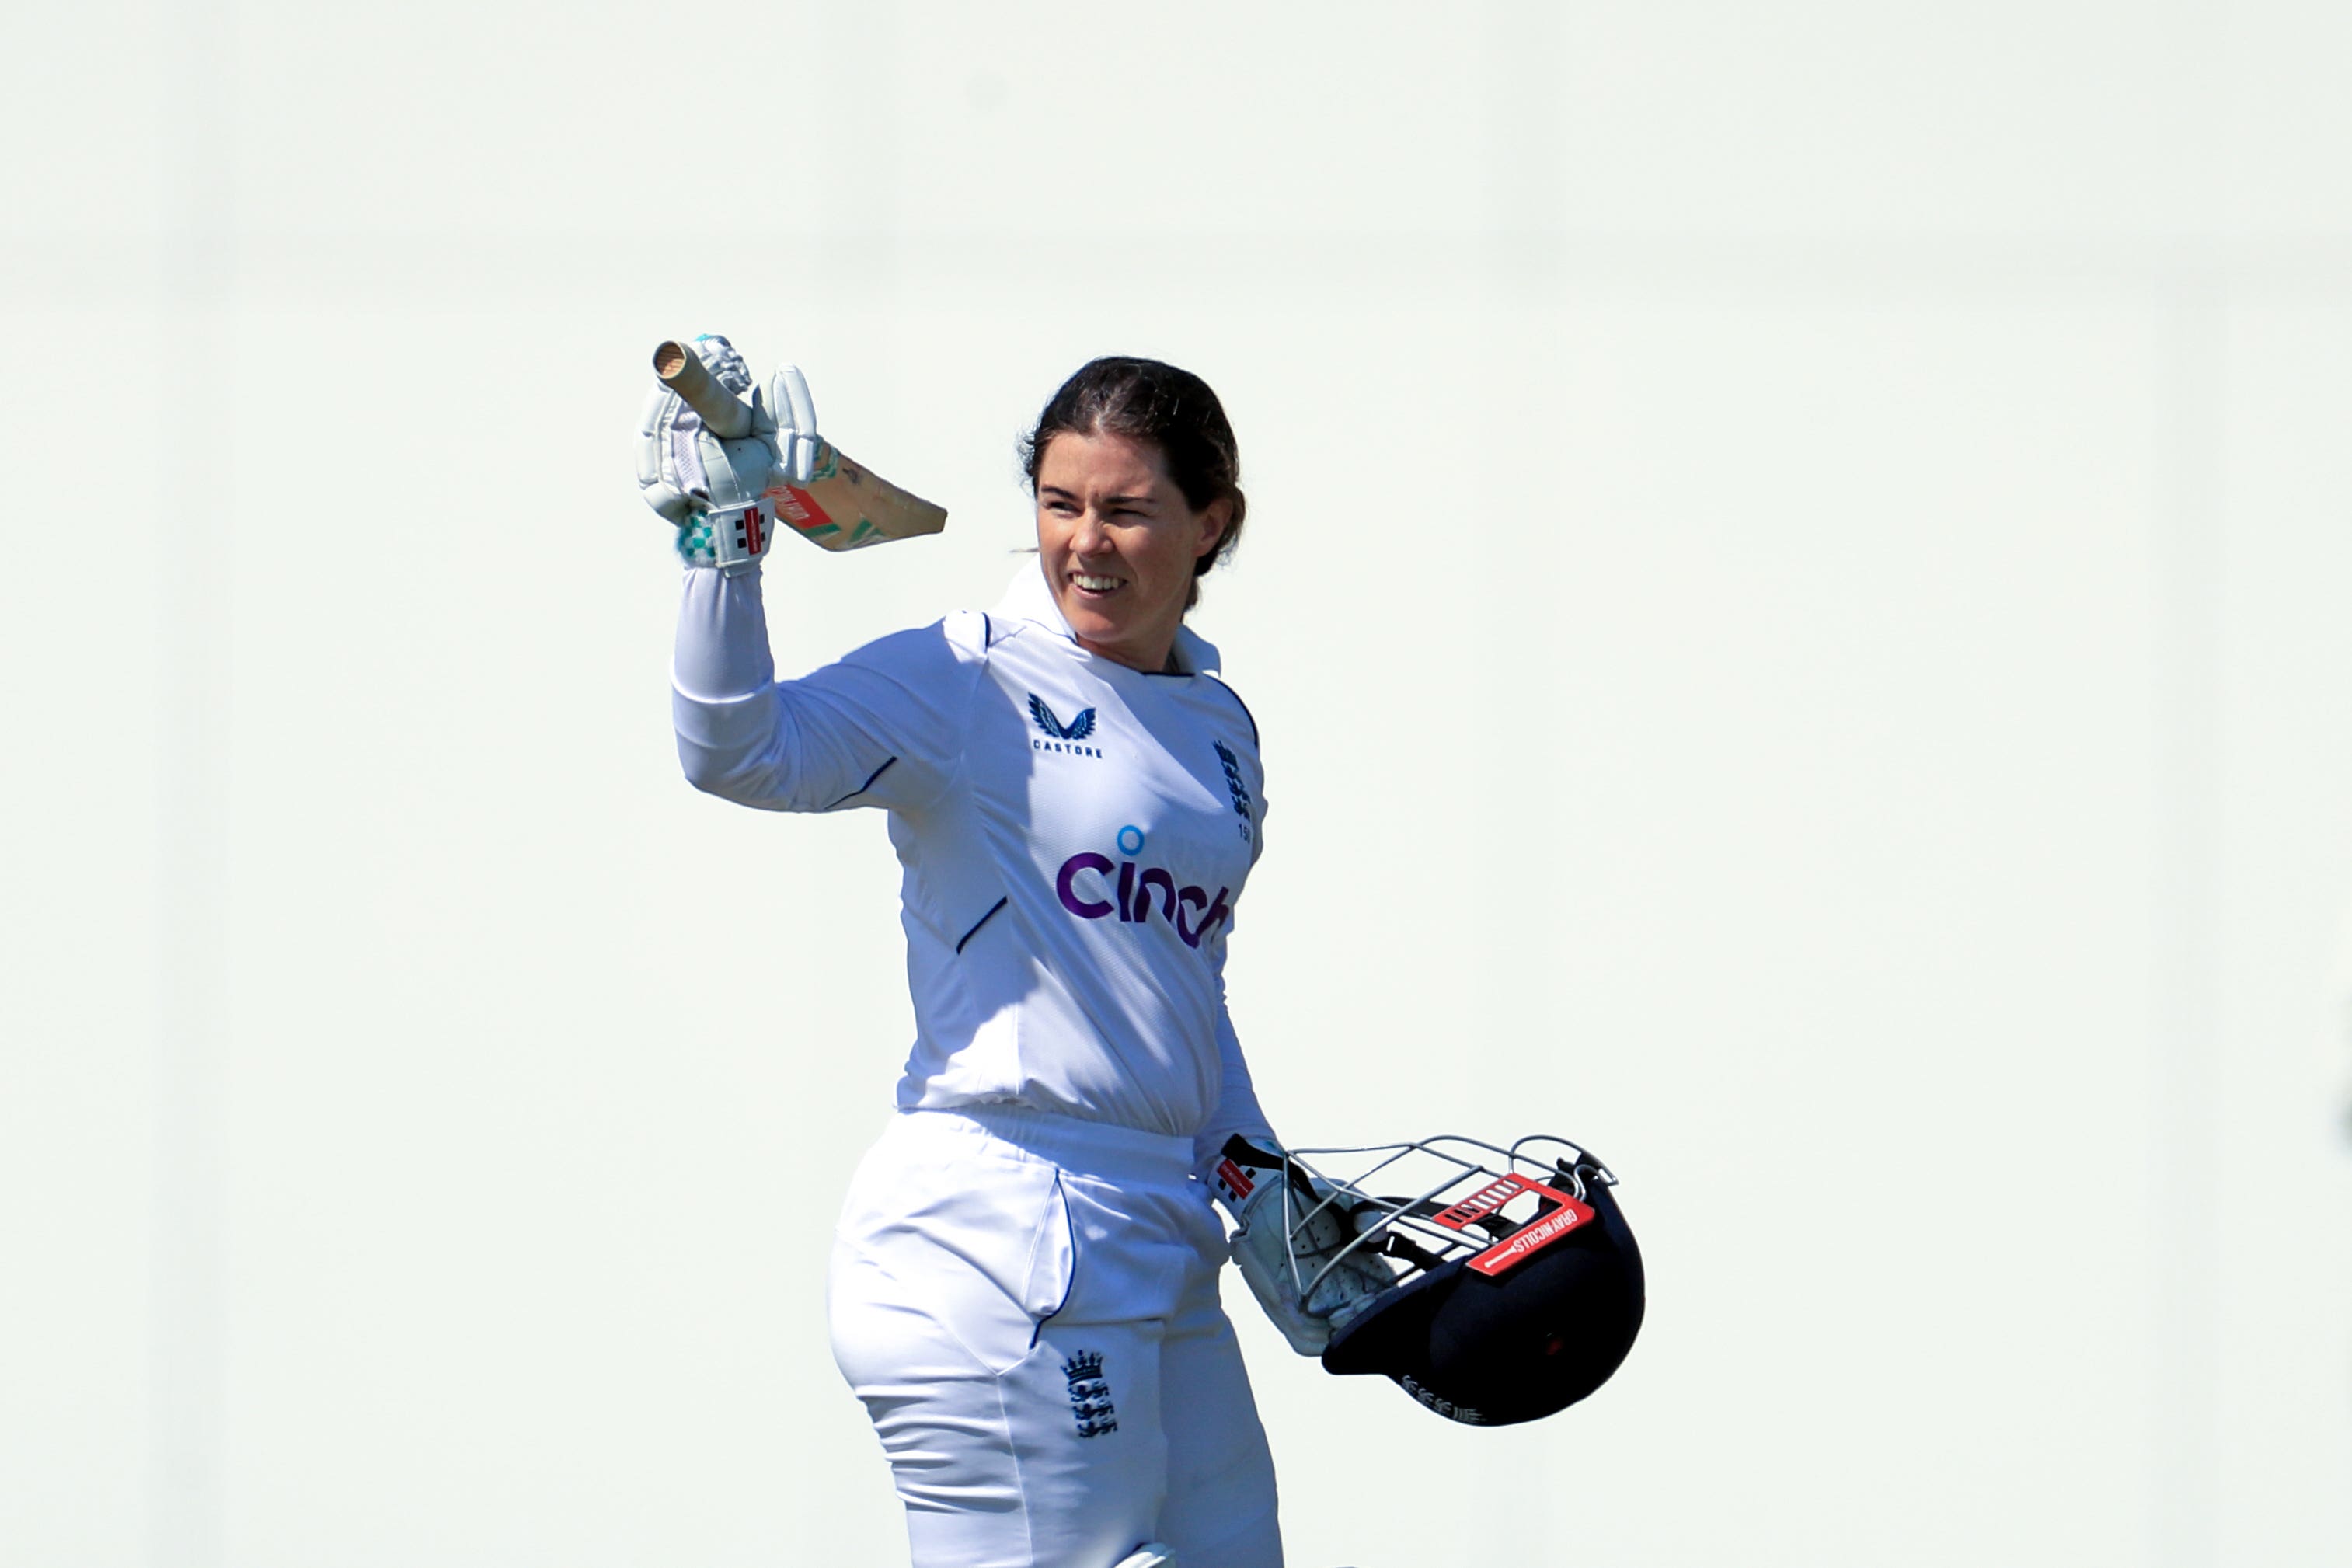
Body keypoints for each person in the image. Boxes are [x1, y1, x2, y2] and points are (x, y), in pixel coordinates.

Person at [638, 340, 1340, 1568]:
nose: (1085, 542)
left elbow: (1181, 996)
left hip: (1160, 1229)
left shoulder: (1222, 730)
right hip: (992, 1231)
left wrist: (1266, 1193)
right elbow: (736, 749)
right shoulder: (968, 676)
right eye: (1061, 505)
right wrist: (722, 544)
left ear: (1212, 522)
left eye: (1127, 510)